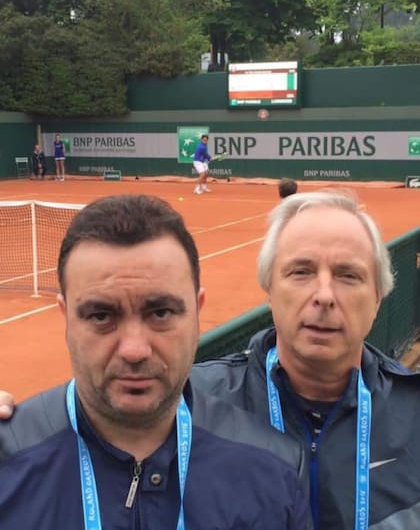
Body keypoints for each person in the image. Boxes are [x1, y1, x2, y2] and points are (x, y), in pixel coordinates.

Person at [0, 194, 311, 530]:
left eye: (161, 313)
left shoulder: (276, 469)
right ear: (66, 317)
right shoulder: (6, 460)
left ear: (196, 310)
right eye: (101, 315)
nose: (134, 350)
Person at [190, 190, 420, 530]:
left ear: (377, 299)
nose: (324, 296)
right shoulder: (191, 406)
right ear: (269, 290)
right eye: (301, 272)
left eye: (348, 275)